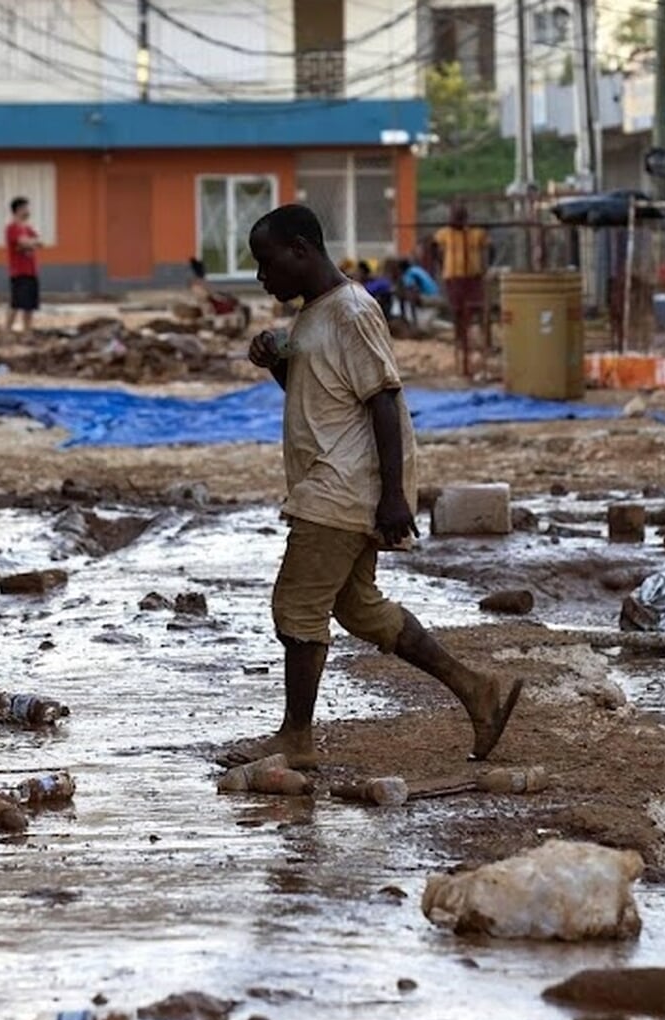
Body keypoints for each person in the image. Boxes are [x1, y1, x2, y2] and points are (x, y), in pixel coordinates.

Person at [224, 203, 523, 770]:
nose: (263, 278)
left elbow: (384, 400)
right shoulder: (316, 314)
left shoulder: (353, 312)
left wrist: (393, 496)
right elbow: (319, 391)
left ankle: (296, 738)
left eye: (266, 263)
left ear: (300, 251)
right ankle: (476, 690)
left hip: (340, 488)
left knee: (297, 607)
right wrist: (273, 363)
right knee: (359, 607)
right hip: (333, 481)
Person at [432, 204, 491, 374]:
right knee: (457, 309)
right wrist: (441, 262)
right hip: (453, 276)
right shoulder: (445, 234)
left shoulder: (475, 234)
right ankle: (460, 339)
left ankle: (481, 342)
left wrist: (486, 266)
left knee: (476, 307)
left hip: (473, 275)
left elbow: (489, 246)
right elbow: (433, 245)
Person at [4, 196, 41, 337]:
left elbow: (37, 241)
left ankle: (27, 333)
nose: (28, 211)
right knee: (16, 303)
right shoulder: (12, 228)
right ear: (18, 210)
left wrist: (29, 243)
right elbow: (25, 243)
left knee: (29, 305)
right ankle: (7, 332)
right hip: (19, 271)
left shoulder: (27, 228)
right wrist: (29, 243)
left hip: (31, 270)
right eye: (25, 208)